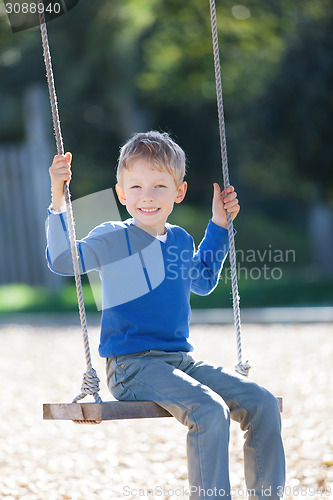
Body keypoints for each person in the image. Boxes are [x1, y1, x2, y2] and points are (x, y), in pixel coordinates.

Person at [46, 131, 285, 499]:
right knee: (209, 412)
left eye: (159, 186)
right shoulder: (113, 237)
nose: (147, 196)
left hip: (179, 361)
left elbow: (203, 280)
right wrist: (58, 198)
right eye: (137, 186)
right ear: (121, 193)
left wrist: (220, 225)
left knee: (264, 403)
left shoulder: (179, 240)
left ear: (179, 192)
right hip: (132, 366)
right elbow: (64, 260)